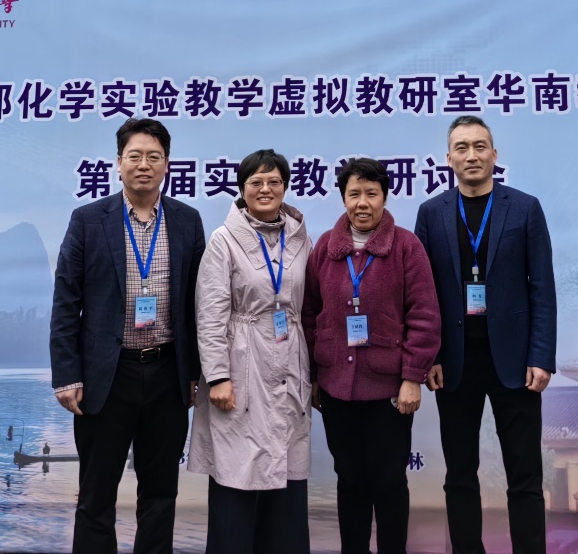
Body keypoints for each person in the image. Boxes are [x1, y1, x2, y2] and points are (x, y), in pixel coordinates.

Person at [50, 117, 206, 554]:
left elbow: (198, 304)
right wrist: (67, 375)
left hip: (166, 373)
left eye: (154, 157)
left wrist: (194, 373)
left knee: (160, 494)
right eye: (134, 156)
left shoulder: (187, 221)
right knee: (96, 495)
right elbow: (66, 302)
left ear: (167, 164)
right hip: (106, 376)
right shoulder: (88, 220)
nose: (144, 165)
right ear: (118, 163)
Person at [414, 115, 556, 554]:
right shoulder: (431, 213)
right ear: (448, 158)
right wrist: (430, 357)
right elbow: (421, 295)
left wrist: (541, 356)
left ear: (495, 155)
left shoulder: (525, 208)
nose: (471, 155)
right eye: (462, 148)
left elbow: (542, 287)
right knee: (460, 475)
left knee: (525, 475)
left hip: (515, 362)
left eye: (480, 146)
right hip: (455, 363)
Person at [303, 157, 441, 554]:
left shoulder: (406, 246)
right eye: (354, 194)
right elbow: (311, 312)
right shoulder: (326, 247)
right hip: (337, 389)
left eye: (371, 194)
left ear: (384, 197)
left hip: (388, 391)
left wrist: (412, 376)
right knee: (350, 480)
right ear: (343, 198)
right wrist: (315, 375)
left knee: (389, 482)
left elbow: (424, 314)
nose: (362, 203)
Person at [189, 149, 313, 554]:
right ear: (242, 189)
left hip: (290, 359)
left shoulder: (300, 237)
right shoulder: (224, 240)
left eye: (274, 181)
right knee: (236, 477)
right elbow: (210, 314)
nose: (265, 189)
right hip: (242, 365)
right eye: (256, 182)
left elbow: (308, 306)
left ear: (285, 187)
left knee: (287, 479)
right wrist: (218, 377)